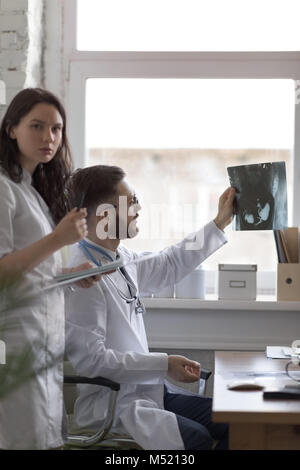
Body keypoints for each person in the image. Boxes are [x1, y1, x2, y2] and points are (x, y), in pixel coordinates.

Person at [65, 165, 235, 450]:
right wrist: (163, 364)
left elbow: (170, 262)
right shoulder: (83, 276)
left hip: (147, 392)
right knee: (199, 440)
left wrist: (218, 222)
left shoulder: (119, 259)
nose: (139, 208)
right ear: (105, 214)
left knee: (238, 421)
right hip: (113, 407)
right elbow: (91, 361)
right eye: (131, 202)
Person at [0, 88, 101, 450]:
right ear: (11, 129)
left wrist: (71, 277)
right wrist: (58, 240)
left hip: (42, 339)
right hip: (15, 341)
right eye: (37, 126)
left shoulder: (31, 189)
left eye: (56, 129)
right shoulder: (3, 188)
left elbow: (32, 271)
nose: (49, 138)